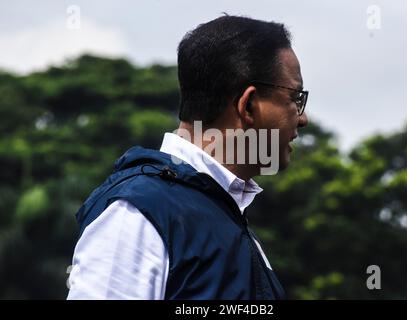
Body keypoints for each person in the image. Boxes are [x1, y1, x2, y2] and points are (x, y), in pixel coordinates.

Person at [67, 15, 308, 300]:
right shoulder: (137, 212)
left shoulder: (221, 216)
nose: (302, 118)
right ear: (249, 105)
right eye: (295, 98)